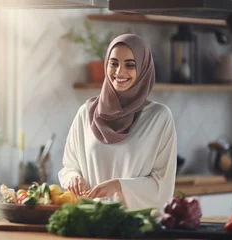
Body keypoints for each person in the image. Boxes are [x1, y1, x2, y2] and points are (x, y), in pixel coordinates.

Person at [58, 34, 177, 210]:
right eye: (113, 63)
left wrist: (119, 185)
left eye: (130, 65)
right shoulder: (86, 113)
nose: (119, 72)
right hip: (90, 222)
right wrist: (73, 178)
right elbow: (69, 167)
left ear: (143, 69)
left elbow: (163, 186)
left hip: (135, 228)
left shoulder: (159, 118)